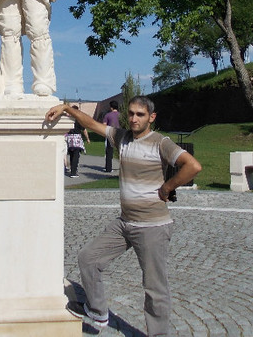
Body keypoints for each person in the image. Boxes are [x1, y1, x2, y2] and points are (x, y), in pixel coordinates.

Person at [45, 96, 202, 336]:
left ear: (151, 117)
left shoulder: (161, 142)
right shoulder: (122, 138)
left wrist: (167, 187)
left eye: (140, 114)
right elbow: (92, 124)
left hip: (152, 226)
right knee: (88, 258)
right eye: (130, 113)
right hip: (125, 223)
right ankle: (97, 311)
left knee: (154, 287)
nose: (134, 118)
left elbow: (192, 165)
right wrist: (67, 108)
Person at [65, 104, 90, 178]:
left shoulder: (68, 119)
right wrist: (87, 138)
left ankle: (72, 170)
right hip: (77, 138)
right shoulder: (78, 120)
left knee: (72, 155)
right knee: (76, 155)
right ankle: (73, 172)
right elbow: (84, 130)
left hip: (69, 138)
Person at [102, 100, 120, 172]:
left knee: (109, 151)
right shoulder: (121, 115)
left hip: (110, 134)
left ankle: (108, 168)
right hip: (119, 134)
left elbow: (104, 125)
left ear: (111, 107)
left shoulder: (108, 115)